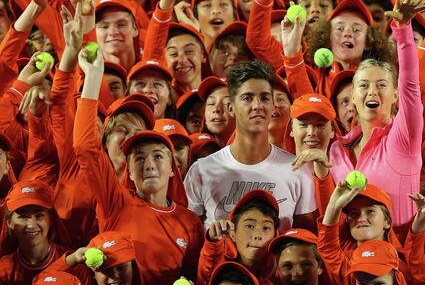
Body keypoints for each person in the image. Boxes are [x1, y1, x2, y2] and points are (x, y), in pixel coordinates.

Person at [74, 47, 204, 283]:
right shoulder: (116, 201)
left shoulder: (190, 222)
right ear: (130, 172)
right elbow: (85, 148)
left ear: (173, 169)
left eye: (157, 156)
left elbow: (194, 277)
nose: (149, 165)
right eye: (139, 158)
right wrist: (93, 77)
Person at [327, 0, 425, 229]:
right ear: (353, 98)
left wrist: (403, 31)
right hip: (349, 259)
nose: (372, 92)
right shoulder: (337, 150)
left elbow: (411, 84)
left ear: (395, 96)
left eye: (382, 85)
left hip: (397, 259)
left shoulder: (404, 138)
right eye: (363, 85)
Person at [184, 60, 318, 232]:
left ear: (272, 106)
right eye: (247, 98)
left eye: (264, 98)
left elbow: (305, 242)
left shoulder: (297, 170)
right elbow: (191, 238)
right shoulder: (202, 170)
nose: (257, 106)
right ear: (231, 108)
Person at [198, 190, 279, 284]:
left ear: (274, 236)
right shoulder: (218, 273)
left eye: (266, 228)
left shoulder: (278, 276)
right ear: (233, 234)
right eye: (249, 226)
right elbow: (207, 273)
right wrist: (213, 242)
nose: (257, 235)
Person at [0, 181, 69, 284]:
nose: (31, 225)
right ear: (9, 222)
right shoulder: (3, 270)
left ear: (50, 219)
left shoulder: (76, 265)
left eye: (39, 216)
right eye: (23, 217)